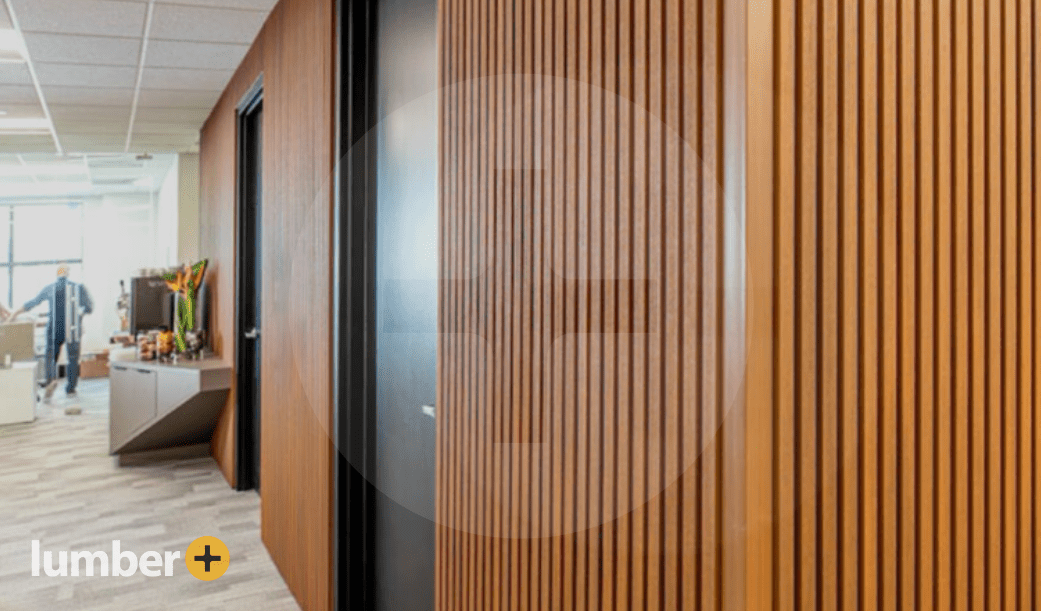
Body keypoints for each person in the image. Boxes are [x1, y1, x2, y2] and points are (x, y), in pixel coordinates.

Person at [9, 266, 93, 399]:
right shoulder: (79, 287)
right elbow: (89, 307)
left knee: (50, 357)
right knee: (72, 358)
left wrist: (15, 313)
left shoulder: (50, 288)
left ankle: (51, 379)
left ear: (57, 274)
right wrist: (79, 316)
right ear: (67, 273)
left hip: (54, 328)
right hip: (72, 327)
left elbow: (33, 302)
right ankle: (70, 388)